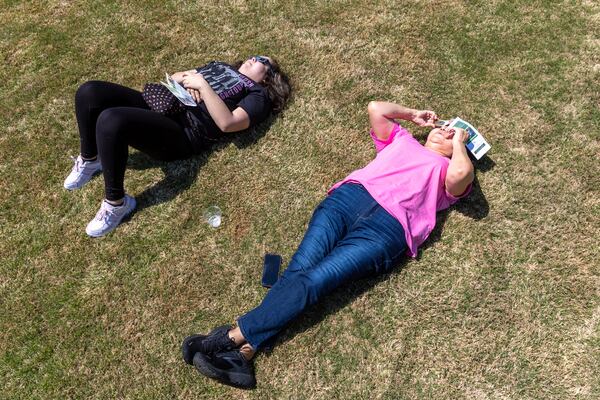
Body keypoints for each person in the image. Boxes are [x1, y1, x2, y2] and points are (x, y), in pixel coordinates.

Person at [180, 101, 475, 389]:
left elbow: (461, 175)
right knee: (299, 271)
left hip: (386, 230)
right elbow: (376, 108)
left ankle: (226, 340)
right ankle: (244, 354)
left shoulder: (447, 173)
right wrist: (413, 115)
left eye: (454, 133)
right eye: (446, 126)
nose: (446, 131)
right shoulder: (402, 140)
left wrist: (459, 145)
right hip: (347, 201)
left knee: (315, 280)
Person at [63, 56, 291, 237]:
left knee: (111, 120)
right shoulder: (220, 67)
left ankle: (116, 203)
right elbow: (174, 79)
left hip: (184, 132)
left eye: (263, 60)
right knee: (89, 92)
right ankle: (90, 159)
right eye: (254, 55)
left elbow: (228, 123)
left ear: (268, 78)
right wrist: (185, 78)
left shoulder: (257, 94)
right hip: (164, 104)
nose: (254, 58)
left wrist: (202, 86)